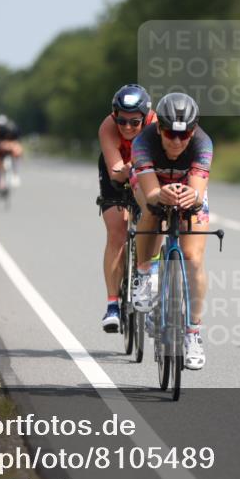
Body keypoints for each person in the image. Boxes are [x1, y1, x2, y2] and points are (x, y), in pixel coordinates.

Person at [130, 93, 213, 370]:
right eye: (169, 134)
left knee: (194, 258)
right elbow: (151, 191)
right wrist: (159, 195)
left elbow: (198, 194)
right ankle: (145, 275)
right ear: (159, 128)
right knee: (151, 211)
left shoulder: (203, 144)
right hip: (154, 184)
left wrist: (192, 199)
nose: (177, 142)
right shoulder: (143, 142)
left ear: (193, 131)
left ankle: (193, 333)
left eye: (185, 134)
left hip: (188, 188)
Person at [96, 84, 156, 333]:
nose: (128, 127)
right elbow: (117, 173)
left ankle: (148, 278)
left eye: (134, 122)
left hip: (147, 170)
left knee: (156, 218)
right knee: (117, 232)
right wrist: (129, 168)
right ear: (114, 115)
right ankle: (112, 305)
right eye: (122, 120)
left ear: (146, 117)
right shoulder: (108, 127)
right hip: (117, 171)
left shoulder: (156, 126)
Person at [0, 115, 23, 191]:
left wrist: (11, 146)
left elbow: (18, 144)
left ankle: (15, 174)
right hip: (0, 151)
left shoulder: (13, 130)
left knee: (15, 155)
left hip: (10, 149)